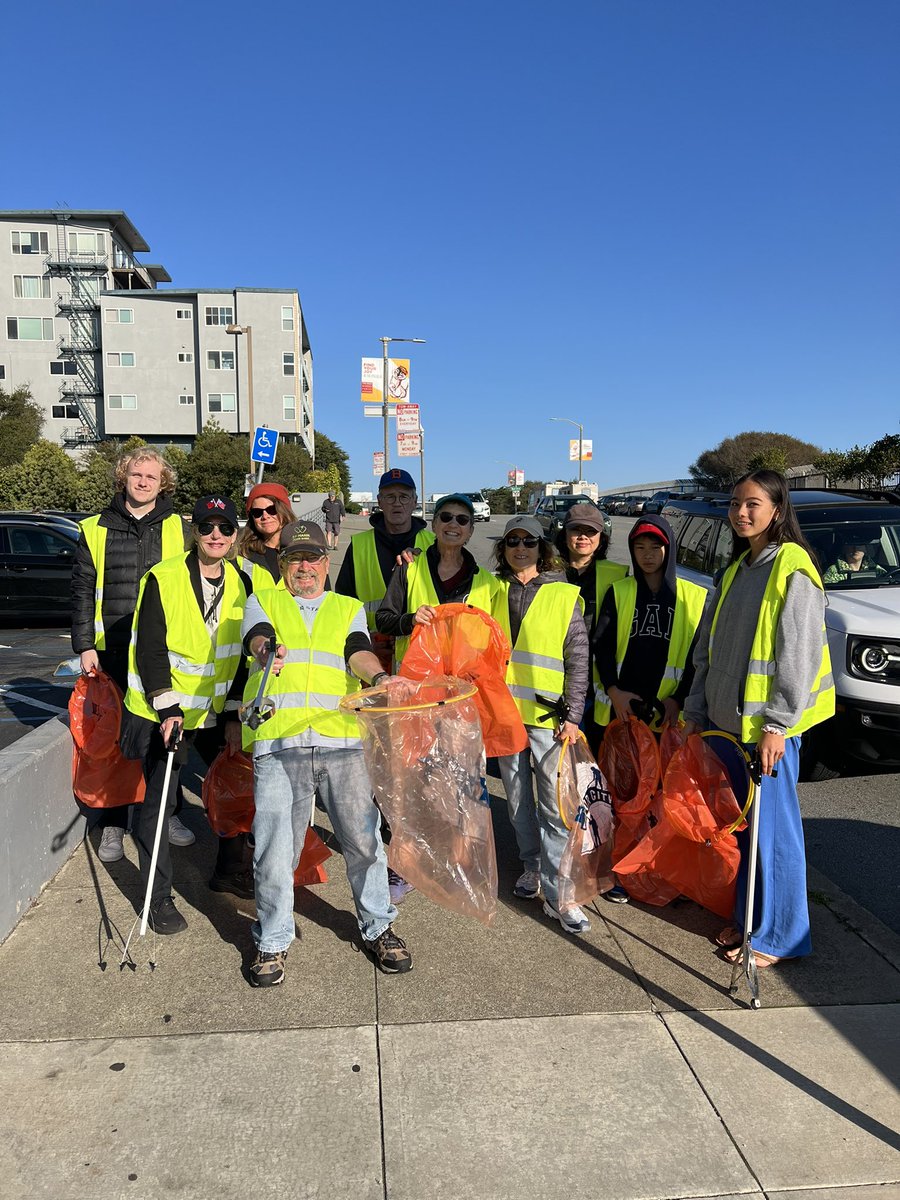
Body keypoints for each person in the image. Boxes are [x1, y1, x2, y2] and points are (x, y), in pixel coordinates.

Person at [240, 520, 413, 987]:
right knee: (275, 851)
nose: (305, 567)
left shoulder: (347, 607)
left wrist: (380, 679)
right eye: (295, 559)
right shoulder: (263, 600)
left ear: (326, 561)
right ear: (283, 564)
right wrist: (266, 651)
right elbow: (257, 636)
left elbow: (358, 651)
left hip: (342, 743)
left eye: (312, 558)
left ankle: (378, 927)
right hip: (280, 744)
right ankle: (272, 939)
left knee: (364, 843)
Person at [683, 471, 835, 969]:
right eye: (734, 503)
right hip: (726, 727)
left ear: (777, 509)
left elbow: (799, 656)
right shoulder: (734, 570)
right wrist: (696, 710)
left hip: (766, 733)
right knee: (743, 832)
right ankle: (751, 918)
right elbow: (706, 650)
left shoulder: (792, 567)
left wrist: (777, 725)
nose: (740, 512)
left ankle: (781, 935)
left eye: (752, 504)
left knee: (774, 835)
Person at [123, 495, 250, 934]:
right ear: (194, 532)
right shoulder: (163, 577)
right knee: (159, 805)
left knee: (238, 789)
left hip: (214, 710)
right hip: (167, 711)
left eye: (225, 528)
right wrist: (167, 708)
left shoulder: (240, 581)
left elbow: (240, 656)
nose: (216, 535)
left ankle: (229, 871)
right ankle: (156, 898)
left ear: (234, 536)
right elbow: (150, 648)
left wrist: (232, 714)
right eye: (207, 527)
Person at [70, 447, 190, 863]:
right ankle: (113, 823)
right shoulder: (94, 528)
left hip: (164, 650)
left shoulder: (179, 528)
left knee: (165, 736)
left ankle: (166, 814)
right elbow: (82, 591)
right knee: (114, 743)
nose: (143, 482)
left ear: (162, 483)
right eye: (136, 474)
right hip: (113, 651)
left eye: (151, 477)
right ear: (124, 477)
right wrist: (85, 645)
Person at [593, 515, 707, 902]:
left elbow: (699, 658)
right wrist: (614, 691)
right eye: (639, 547)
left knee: (664, 798)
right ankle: (621, 869)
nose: (647, 555)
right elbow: (602, 647)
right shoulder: (621, 591)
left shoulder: (693, 597)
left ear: (669, 549)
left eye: (655, 547)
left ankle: (660, 870)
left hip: (668, 716)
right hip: (627, 714)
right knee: (624, 795)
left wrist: (680, 699)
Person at [492, 515, 592, 934]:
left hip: (549, 722)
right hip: (504, 717)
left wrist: (573, 716)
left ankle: (559, 894)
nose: (520, 548)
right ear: (503, 549)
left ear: (542, 548)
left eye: (528, 542)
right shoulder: (490, 590)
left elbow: (578, 659)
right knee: (518, 804)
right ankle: (531, 866)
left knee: (554, 809)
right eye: (513, 541)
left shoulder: (563, 594)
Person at [375, 492, 503, 665]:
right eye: (446, 517)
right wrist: (411, 620)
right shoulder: (409, 566)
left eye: (462, 520)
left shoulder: (488, 582)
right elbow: (383, 620)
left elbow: (495, 638)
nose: (453, 524)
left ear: (470, 531)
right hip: (418, 676)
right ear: (434, 525)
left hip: (465, 678)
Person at [335, 468, 435, 672]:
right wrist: (363, 640)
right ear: (380, 502)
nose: (397, 503)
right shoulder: (359, 545)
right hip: (374, 654)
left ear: (414, 501)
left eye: (404, 496)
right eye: (390, 497)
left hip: (423, 652)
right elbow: (343, 603)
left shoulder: (433, 545)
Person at [554, 503, 628, 752]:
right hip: (557, 680)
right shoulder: (547, 572)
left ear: (601, 537)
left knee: (597, 757)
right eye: (576, 530)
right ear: (564, 534)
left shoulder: (618, 575)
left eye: (591, 531)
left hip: (600, 686)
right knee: (560, 759)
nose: (583, 536)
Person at [236, 483, 296, 590]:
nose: (265, 516)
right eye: (257, 512)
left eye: (272, 510)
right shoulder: (243, 555)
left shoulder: (303, 550)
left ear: (284, 510)